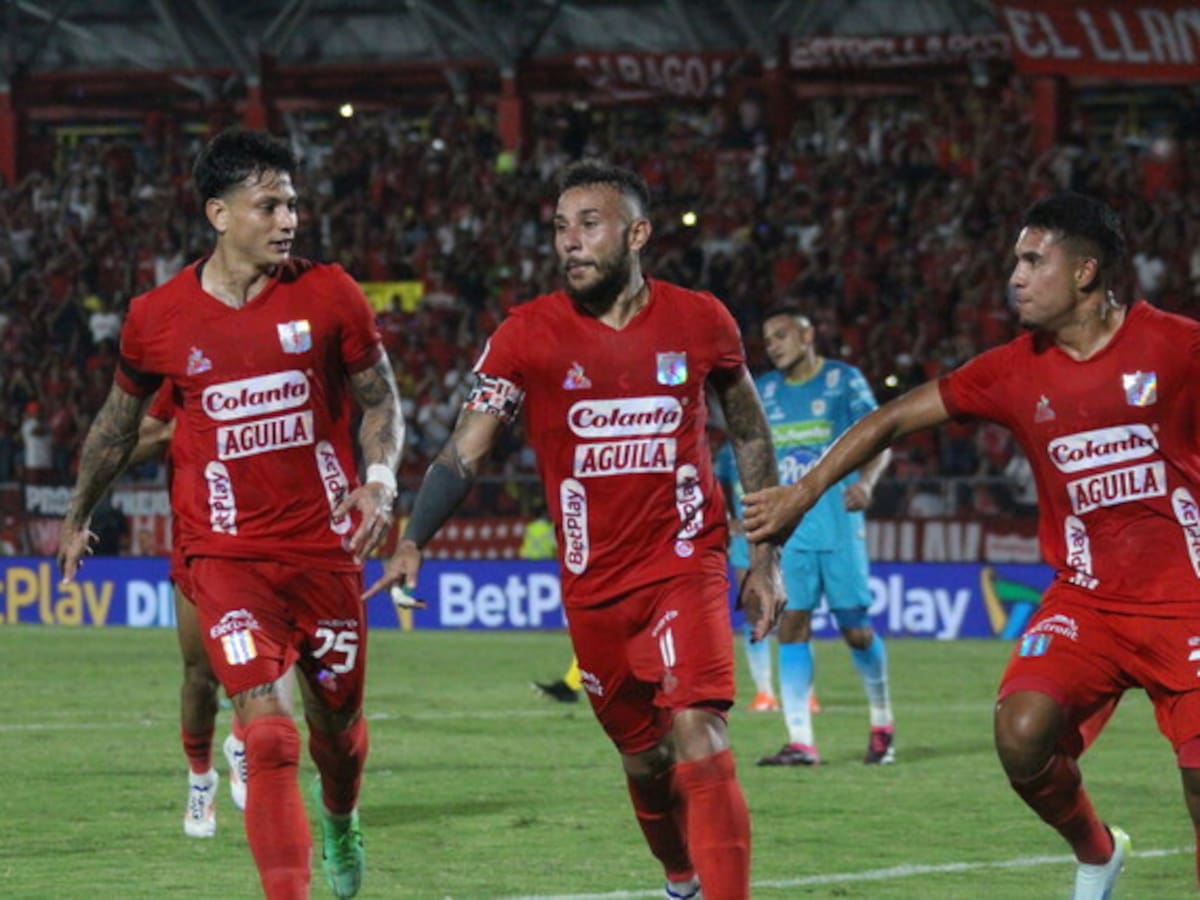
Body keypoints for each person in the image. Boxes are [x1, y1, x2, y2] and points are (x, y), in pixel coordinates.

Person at [744, 192, 1198, 897]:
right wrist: (800, 499)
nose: (1013, 275)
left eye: (1031, 260)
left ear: (1084, 272)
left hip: (1186, 603)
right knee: (1020, 732)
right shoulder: (1014, 368)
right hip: (1089, 599)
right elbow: (892, 420)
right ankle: (1097, 851)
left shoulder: (1177, 347)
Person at [369, 160, 785, 900]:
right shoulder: (526, 335)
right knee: (645, 760)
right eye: (561, 228)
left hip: (686, 561)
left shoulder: (702, 320)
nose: (571, 243)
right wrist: (414, 538)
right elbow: (465, 449)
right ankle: (681, 879)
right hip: (592, 588)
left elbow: (749, 433)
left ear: (637, 233)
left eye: (588, 225)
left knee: (698, 729)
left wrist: (766, 557)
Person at [57, 128, 405, 900]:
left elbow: (381, 402)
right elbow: (119, 426)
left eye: (292, 203)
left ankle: (342, 822)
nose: (288, 219)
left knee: (337, 738)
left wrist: (378, 480)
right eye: (268, 205)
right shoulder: (158, 316)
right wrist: (80, 511)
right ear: (219, 213)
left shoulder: (331, 294)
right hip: (225, 556)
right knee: (267, 731)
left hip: (324, 549)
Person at [751, 307, 894, 767]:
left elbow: (881, 435)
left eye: (781, 334)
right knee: (791, 624)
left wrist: (867, 483)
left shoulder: (842, 380)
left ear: (808, 334)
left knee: (855, 629)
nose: (772, 344)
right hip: (790, 533)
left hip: (836, 525)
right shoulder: (764, 392)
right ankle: (800, 741)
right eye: (767, 338)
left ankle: (882, 721)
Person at [133, 389, 247, 838]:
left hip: (262, 538)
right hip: (198, 545)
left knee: (263, 663)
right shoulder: (182, 373)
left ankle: (243, 742)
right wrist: (170, 431)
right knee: (200, 677)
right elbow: (136, 439)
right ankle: (201, 778)